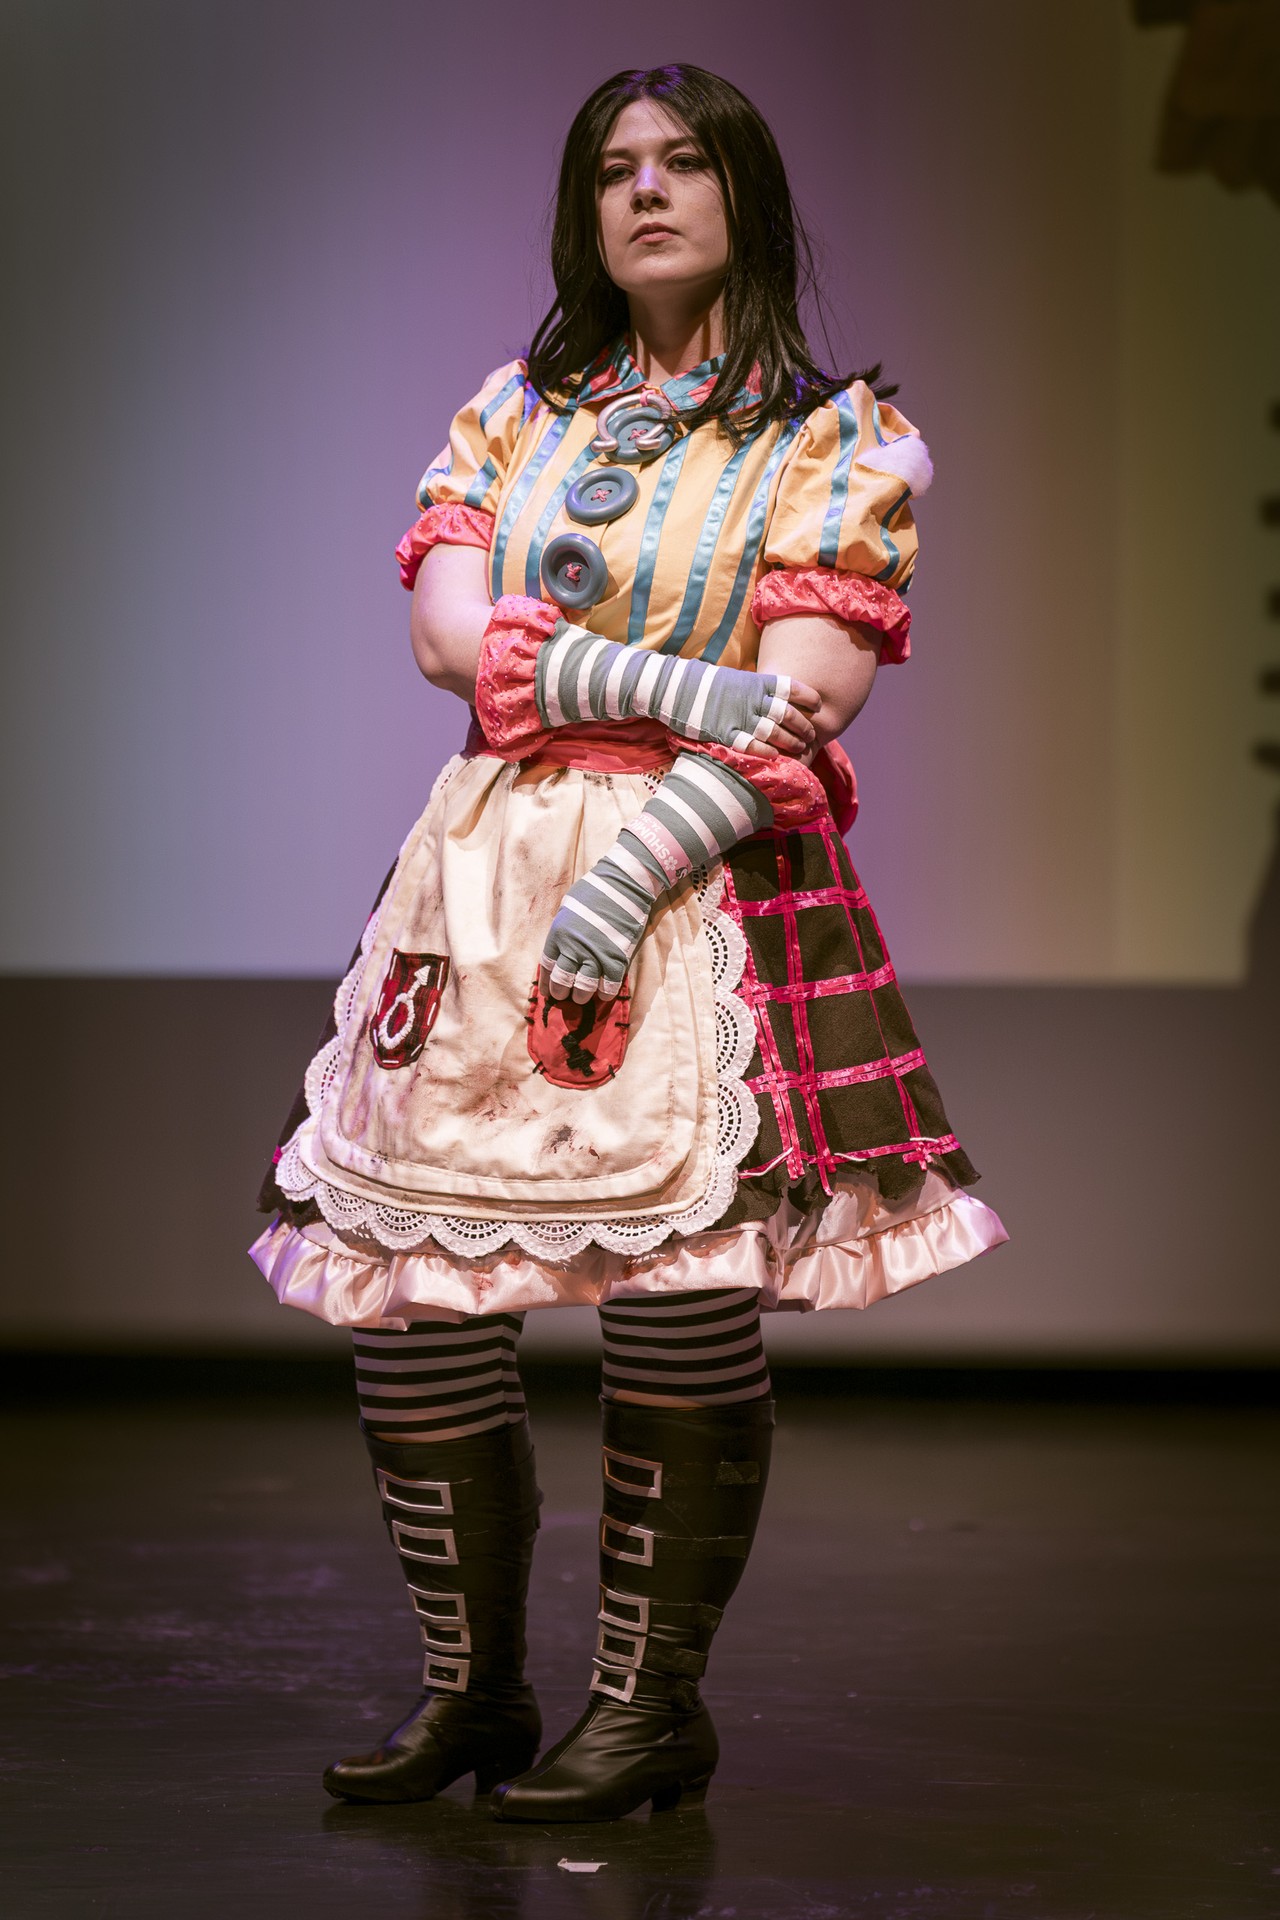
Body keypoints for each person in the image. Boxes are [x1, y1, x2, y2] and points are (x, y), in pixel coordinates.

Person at [251, 62, 1007, 1824]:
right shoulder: (517, 413)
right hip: (483, 879)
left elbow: (802, 709)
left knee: (677, 1287)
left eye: (681, 162)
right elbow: (452, 645)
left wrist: (633, 857)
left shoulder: (839, 440)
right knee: (414, 1286)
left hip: (693, 883)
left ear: (749, 194)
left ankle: (647, 1709)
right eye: (614, 168)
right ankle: (474, 1693)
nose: (646, 191)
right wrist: (693, 691)